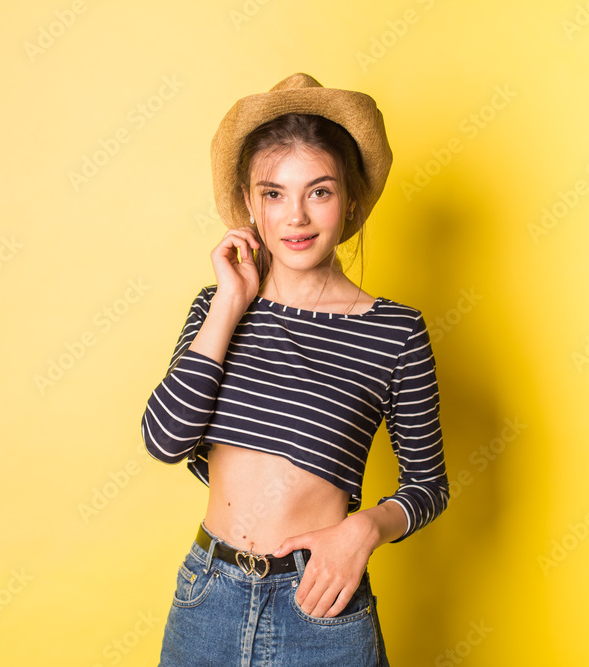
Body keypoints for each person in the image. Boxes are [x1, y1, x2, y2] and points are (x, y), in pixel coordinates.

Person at [141, 73, 449, 666]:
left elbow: (428, 486)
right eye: (275, 193)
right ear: (251, 205)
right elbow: (165, 440)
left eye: (320, 191)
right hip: (208, 599)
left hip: (322, 604)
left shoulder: (396, 332)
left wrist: (365, 530)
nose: (297, 216)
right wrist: (231, 302)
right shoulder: (216, 307)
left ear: (350, 200)